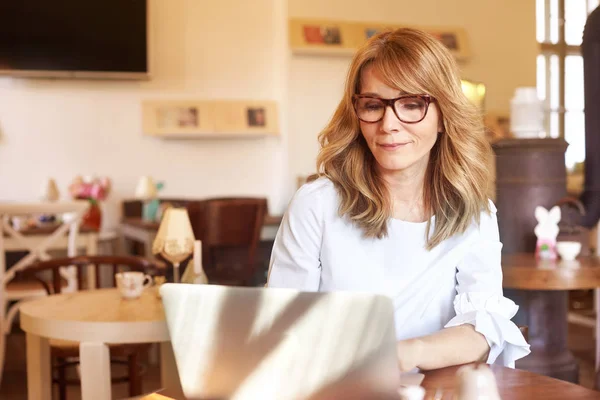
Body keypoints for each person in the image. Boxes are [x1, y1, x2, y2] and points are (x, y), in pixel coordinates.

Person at [266, 28, 530, 371]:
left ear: (442, 116)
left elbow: (483, 326)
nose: (389, 124)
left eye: (411, 104)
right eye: (373, 105)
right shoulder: (316, 204)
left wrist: (405, 354)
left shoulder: (473, 213)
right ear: (357, 112)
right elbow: (280, 329)